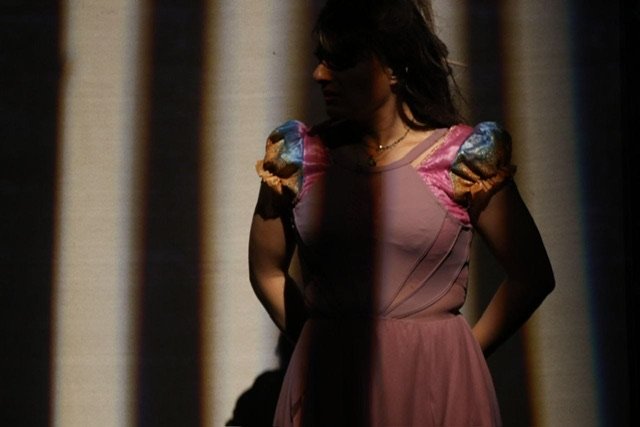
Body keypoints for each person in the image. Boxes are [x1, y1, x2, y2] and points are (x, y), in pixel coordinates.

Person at [249, 0, 555, 425]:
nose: (320, 74)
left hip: (433, 379)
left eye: (341, 61)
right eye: (321, 60)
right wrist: (317, 342)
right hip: (330, 385)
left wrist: (461, 352)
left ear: (393, 68)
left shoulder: (459, 160)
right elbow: (266, 270)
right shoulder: (300, 159)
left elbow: (531, 274)